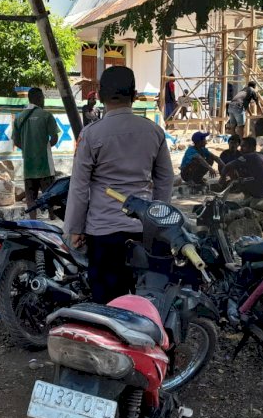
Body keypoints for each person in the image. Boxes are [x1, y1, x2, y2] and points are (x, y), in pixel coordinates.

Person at [65, 66, 175, 305]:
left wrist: (75, 229)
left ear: (101, 95)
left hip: (103, 233)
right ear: (134, 95)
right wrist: (156, 217)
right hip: (143, 232)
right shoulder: (153, 131)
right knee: (145, 302)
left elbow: (80, 186)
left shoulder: (91, 135)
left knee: (108, 305)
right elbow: (166, 179)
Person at [13, 88, 59, 219]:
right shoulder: (46, 115)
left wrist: (29, 149)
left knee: (31, 196)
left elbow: (16, 142)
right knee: (49, 194)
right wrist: (42, 148)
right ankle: (52, 217)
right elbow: (54, 138)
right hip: (45, 166)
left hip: (29, 165)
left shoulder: (19, 118)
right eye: (43, 97)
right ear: (39, 98)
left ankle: (33, 220)